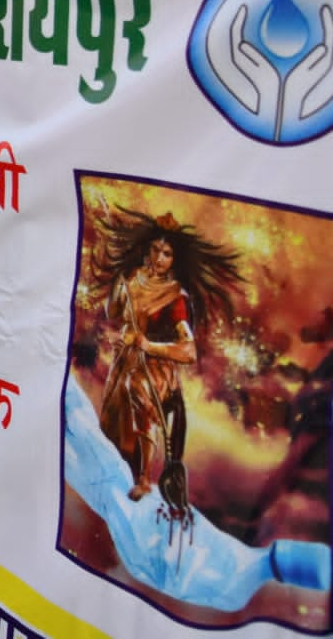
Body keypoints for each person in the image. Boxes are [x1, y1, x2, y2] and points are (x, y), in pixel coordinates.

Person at [94, 208, 241, 508]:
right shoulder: (133, 279)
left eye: (167, 254)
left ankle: (144, 479)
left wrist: (148, 345)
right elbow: (114, 314)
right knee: (112, 413)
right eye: (155, 250)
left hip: (155, 370)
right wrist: (119, 287)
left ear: (175, 260)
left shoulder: (175, 296)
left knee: (137, 390)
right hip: (125, 362)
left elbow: (188, 351)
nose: (159, 258)